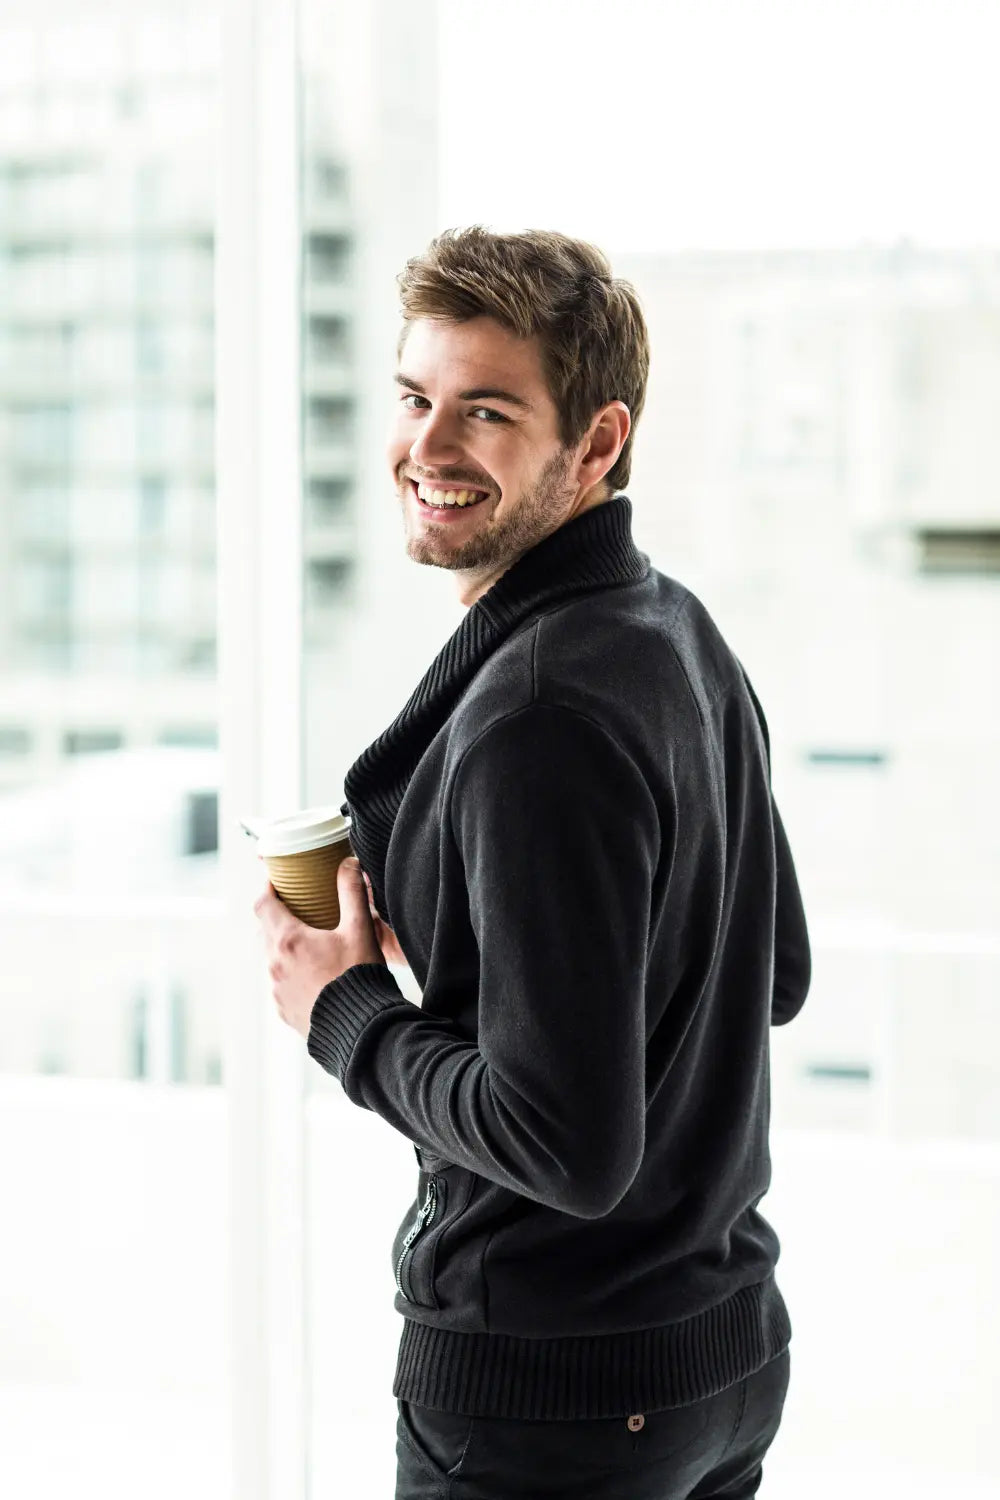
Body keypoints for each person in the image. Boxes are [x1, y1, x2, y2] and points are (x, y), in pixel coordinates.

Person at [254, 226, 812, 1499]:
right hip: (719, 1364)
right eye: (414, 397)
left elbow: (568, 1146)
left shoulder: (534, 713)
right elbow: (769, 968)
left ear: (598, 443)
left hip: (551, 1406)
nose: (427, 450)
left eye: (486, 412)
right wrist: (488, 924)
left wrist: (340, 1013)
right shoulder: (674, 632)